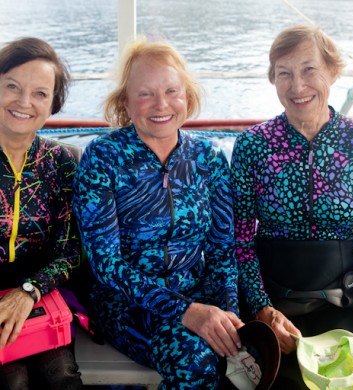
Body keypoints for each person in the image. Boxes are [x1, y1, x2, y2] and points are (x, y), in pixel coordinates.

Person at [72, 39, 244, 389]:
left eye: (171, 91)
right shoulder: (103, 158)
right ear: (126, 103)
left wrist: (228, 314)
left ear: (187, 96)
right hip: (124, 301)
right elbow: (105, 264)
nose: (161, 104)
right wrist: (185, 311)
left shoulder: (208, 158)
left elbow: (222, 248)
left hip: (198, 294)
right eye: (146, 94)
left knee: (244, 348)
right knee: (194, 361)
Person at [231, 24, 353, 390]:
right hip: (270, 298)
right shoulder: (252, 146)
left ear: (332, 71)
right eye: (283, 73)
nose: (297, 86)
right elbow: (239, 239)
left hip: (342, 299)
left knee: (349, 378)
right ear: (272, 79)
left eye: (308, 69)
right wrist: (261, 308)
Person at [0, 37, 83, 389]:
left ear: (52, 105)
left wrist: (29, 291)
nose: (23, 102)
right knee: (11, 380)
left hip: (41, 289)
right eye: (12, 87)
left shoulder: (62, 162)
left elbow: (71, 250)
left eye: (39, 93)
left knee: (61, 377)